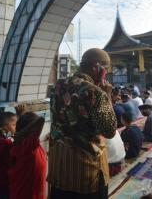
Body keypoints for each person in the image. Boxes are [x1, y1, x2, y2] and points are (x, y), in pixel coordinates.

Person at [48, 48, 117, 198]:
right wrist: (108, 95)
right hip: (85, 170)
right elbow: (109, 131)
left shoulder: (58, 86)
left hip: (59, 163)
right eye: (105, 70)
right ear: (96, 67)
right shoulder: (95, 92)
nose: (106, 74)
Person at [9, 112, 46, 199]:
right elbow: (41, 120)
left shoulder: (24, 145)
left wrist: (22, 116)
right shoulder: (28, 146)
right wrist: (22, 131)